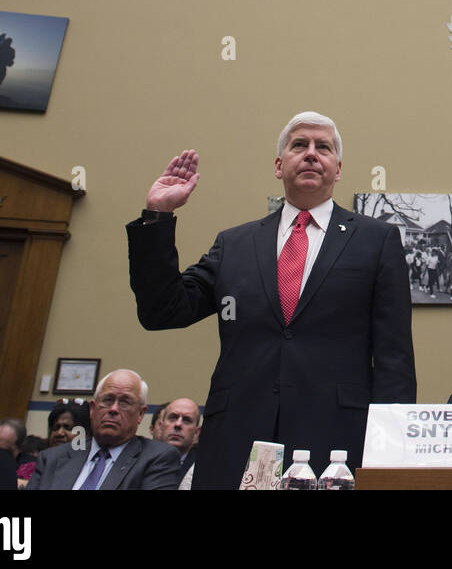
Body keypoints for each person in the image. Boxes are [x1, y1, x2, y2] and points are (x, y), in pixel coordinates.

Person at [127, 112, 417, 489]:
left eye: (323, 147)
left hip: (337, 442)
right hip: (236, 437)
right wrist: (158, 216)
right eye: (299, 145)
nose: (311, 154)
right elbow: (162, 310)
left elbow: (394, 356)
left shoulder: (376, 241)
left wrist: (391, 449)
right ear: (279, 166)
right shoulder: (235, 244)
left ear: (338, 168)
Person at [27, 369, 180, 490]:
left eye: (124, 402)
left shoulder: (157, 458)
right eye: (107, 400)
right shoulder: (52, 458)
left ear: (140, 414)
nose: (113, 409)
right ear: (93, 409)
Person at [156, 397, 201, 485]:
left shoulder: (204, 467)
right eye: (173, 417)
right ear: (161, 427)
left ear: (196, 433)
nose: (178, 424)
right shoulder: (141, 458)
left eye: (186, 420)